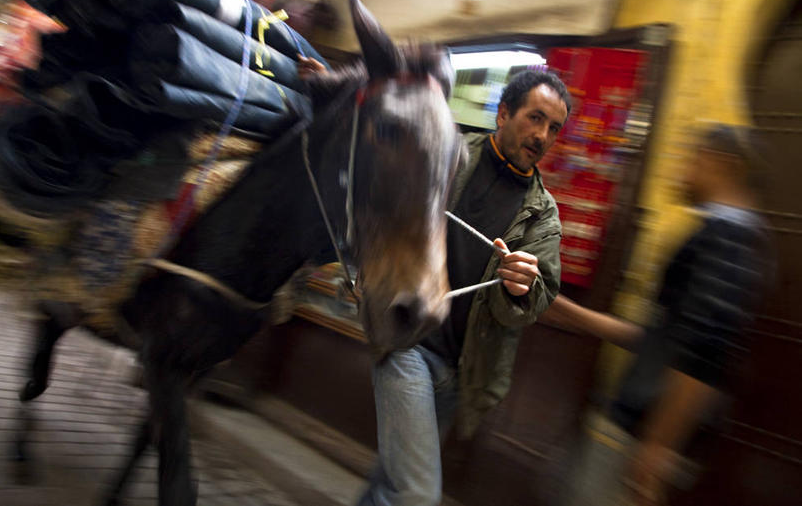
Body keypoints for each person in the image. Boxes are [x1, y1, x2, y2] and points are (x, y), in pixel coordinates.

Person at [300, 55, 571, 505]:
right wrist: (336, 88)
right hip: (408, 339)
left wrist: (519, 285)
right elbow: (379, 187)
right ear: (504, 113)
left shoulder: (544, 216)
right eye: (535, 118)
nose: (542, 136)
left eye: (554, 128)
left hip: (463, 374)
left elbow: (533, 302)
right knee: (418, 492)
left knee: (391, 482)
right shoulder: (444, 151)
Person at [547, 124, 774, 505]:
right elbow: (664, 335)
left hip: (638, 432)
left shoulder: (729, 241)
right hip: (636, 428)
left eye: (694, 159)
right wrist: (570, 313)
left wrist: (657, 446)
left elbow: (704, 355)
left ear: (724, 165)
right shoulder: (727, 236)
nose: (685, 169)